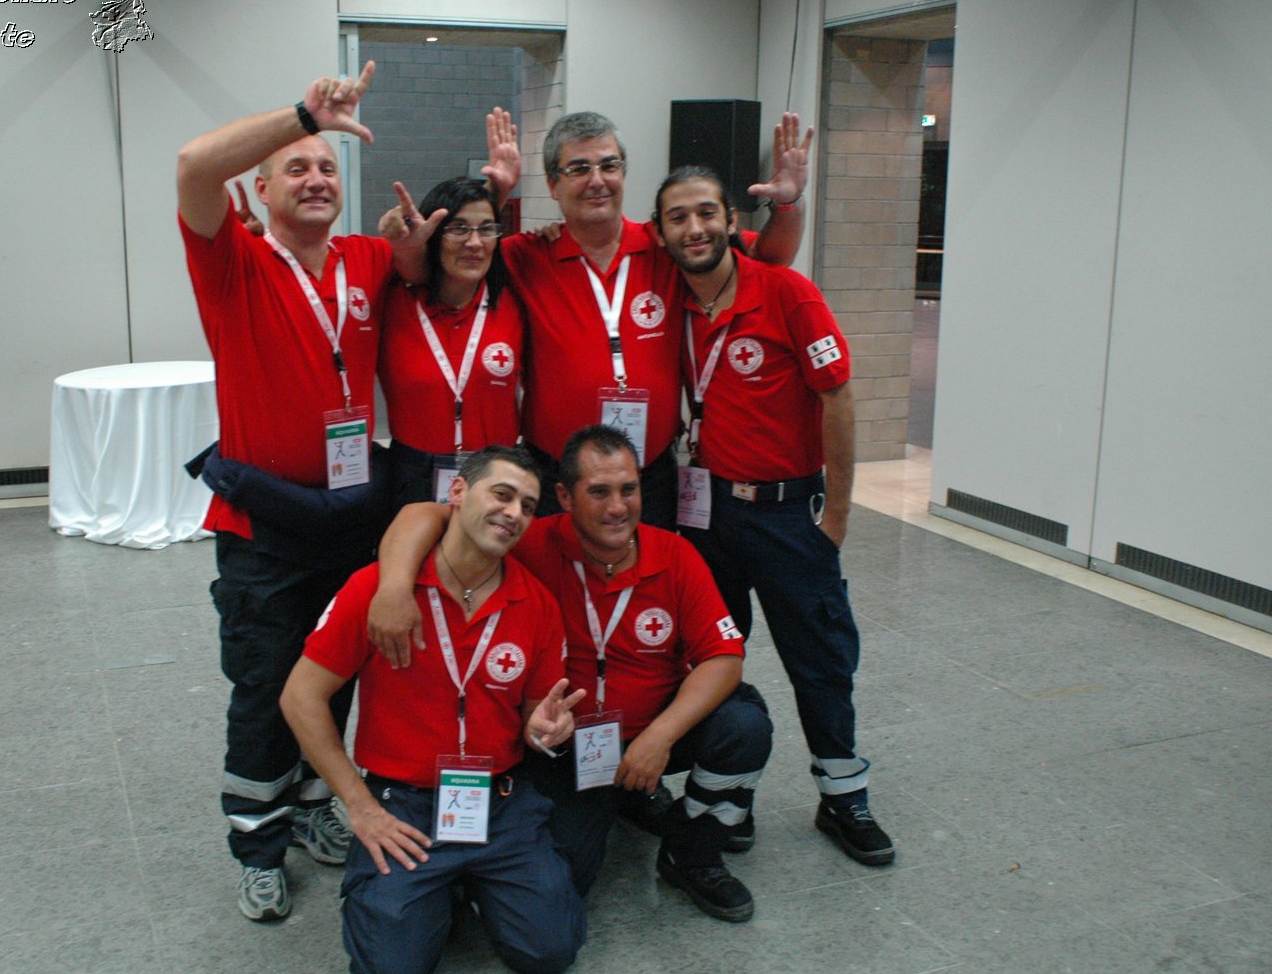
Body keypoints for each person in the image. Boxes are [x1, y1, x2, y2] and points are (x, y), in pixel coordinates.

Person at [175, 60, 430, 922]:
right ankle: (256, 835)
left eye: (326, 167)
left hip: (350, 517)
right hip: (265, 525)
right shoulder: (232, 264)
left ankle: (316, 807)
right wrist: (300, 116)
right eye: (297, 166)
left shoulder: (367, 258)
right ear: (264, 183)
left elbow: (443, 265)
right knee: (262, 686)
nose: (316, 178)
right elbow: (191, 168)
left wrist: (491, 194)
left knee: (335, 674)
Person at [369, 426, 771, 921]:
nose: (618, 507)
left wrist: (660, 736)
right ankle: (620, 801)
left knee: (744, 723)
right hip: (566, 747)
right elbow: (423, 515)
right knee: (565, 887)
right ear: (564, 496)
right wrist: (392, 586)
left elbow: (725, 657)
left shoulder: (675, 555)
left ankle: (691, 852)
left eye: (629, 489)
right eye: (598, 492)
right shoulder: (530, 543)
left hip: (653, 731)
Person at [280, 446, 586, 974]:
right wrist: (360, 807)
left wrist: (544, 730)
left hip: (500, 800)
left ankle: (464, 886)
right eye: (502, 494)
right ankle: (428, 892)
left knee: (549, 952)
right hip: (407, 804)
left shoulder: (536, 604)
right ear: (458, 494)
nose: (515, 512)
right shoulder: (380, 591)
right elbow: (300, 698)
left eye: (528, 505)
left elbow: (533, 718)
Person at [654, 165, 893, 867]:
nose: (693, 228)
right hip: (706, 516)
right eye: (677, 218)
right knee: (714, 657)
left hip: (790, 516)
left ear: (733, 222)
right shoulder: (670, 298)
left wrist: (838, 515)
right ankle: (731, 791)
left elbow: (838, 396)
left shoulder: (787, 291)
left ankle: (843, 792)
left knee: (819, 660)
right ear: (662, 232)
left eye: (706, 213)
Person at [479, 109, 812, 527]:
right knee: (557, 587)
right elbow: (451, 255)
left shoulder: (666, 245)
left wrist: (788, 204)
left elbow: (772, 257)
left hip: (649, 474)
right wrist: (496, 193)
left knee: (647, 585)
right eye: (579, 168)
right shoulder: (526, 255)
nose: (597, 180)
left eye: (609, 165)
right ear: (552, 184)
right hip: (555, 475)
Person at [378, 176, 524, 509]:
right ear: (433, 235)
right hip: (412, 474)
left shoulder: (514, 300)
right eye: (458, 228)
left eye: (487, 229)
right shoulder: (391, 300)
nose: (475, 243)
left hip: (497, 473)